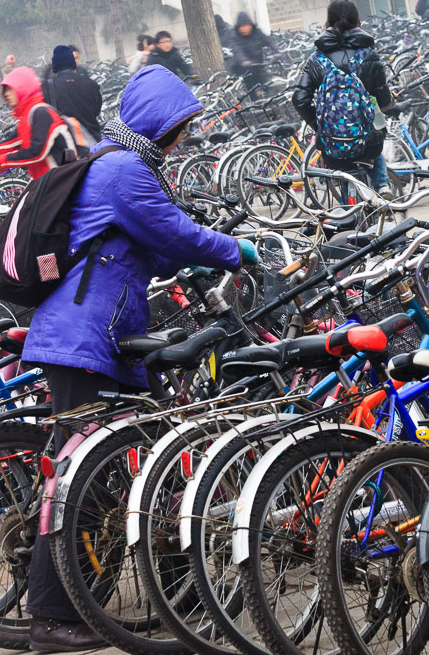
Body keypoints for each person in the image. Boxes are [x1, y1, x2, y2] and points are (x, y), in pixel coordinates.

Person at [20, 63, 256, 651]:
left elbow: (150, 247)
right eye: (182, 125)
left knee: (150, 448)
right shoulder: (125, 170)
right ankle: (52, 617)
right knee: (81, 478)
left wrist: (195, 261)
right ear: (162, 123)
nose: (186, 137)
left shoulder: (118, 162)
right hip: (83, 338)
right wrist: (233, 251)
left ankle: (174, 593)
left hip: (100, 333)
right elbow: (173, 231)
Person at [292, 0, 394, 199]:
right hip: (368, 142)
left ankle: (348, 216)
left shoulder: (317, 59)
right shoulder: (369, 55)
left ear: (328, 22)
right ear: (357, 20)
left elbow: (300, 99)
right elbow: (383, 99)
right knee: (375, 142)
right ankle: (383, 185)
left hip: (332, 143)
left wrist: (321, 125)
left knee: (345, 180)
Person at [0, 67, 77, 179]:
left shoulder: (41, 113)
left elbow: (37, 152)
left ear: (23, 88)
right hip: (47, 180)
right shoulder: (27, 116)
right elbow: (11, 143)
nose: (6, 94)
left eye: (10, 89)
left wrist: (1, 160)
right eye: (5, 90)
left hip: (61, 180)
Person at [42, 45, 103, 148]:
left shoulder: (48, 86)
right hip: (93, 142)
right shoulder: (91, 84)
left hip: (69, 147)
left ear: (55, 68)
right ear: (74, 66)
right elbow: (96, 110)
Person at [228, 12, 278, 93]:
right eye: (241, 27)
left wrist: (276, 51)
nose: (243, 29)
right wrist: (244, 61)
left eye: (246, 25)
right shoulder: (235, 36)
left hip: (257, 64)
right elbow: (237, 50)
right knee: (250, 88)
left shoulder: (257, 33)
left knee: (267, 83)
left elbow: (268, 41)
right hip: (242, 68)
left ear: (251, 25)